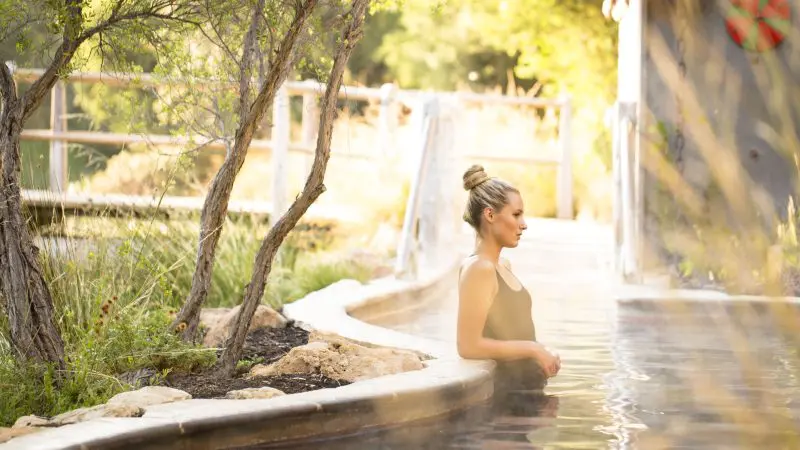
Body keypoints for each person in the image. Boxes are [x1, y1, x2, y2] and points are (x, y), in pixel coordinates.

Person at [457, 165, 561, 395]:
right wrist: (533, 350)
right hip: (506, 398)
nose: (524, 224)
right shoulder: (479, 269)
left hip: (526, 393)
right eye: (516, 214)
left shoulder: (502, 265)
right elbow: (468, 345)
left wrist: (541, 352)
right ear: (490, 215)